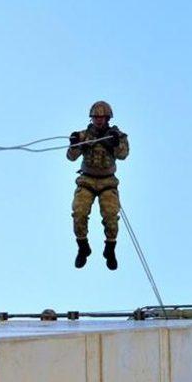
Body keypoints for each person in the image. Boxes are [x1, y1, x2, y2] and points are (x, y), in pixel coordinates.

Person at [67, 101, 129, 270]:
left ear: (107, 118)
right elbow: (71, 157)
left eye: (102, 117)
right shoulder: (84, 136)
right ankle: (83, 247)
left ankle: (110, 250)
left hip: (107, 182)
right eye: (96, 117)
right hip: (87, 180)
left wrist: (115, 143)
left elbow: (124, 154)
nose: (99, 120)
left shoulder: (116, 135)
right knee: (79, 213)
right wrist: (73, 144)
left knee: (110, 216)